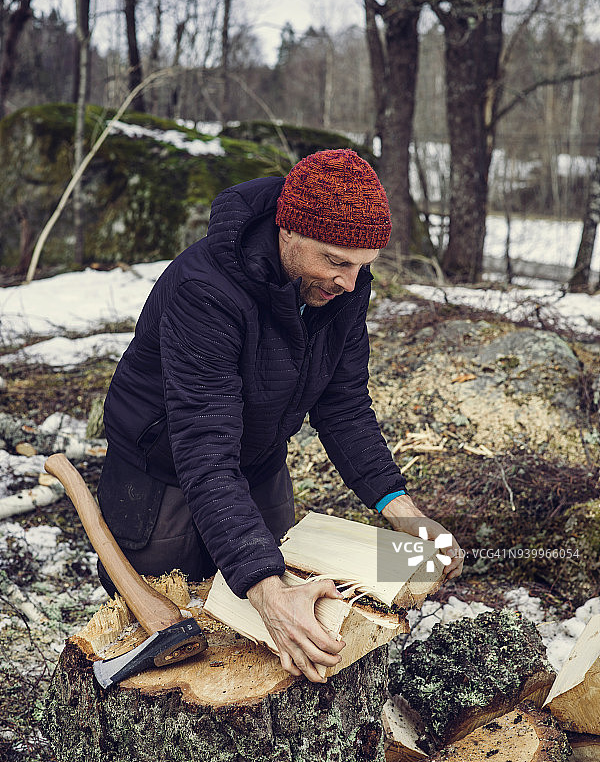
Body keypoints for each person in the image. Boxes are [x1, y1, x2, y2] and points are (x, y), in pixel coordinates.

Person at [98, 148, 463, 683]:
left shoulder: (344, 285)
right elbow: (203, 448)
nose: (349, 281)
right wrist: (264, 589)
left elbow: (343, 404)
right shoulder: (205, 289)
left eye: (364, 265)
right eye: (336, 261)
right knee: (169, 632)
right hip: (163, 471)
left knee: (274, 625)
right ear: (287, 232)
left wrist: (401, 510)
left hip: (257, 458)